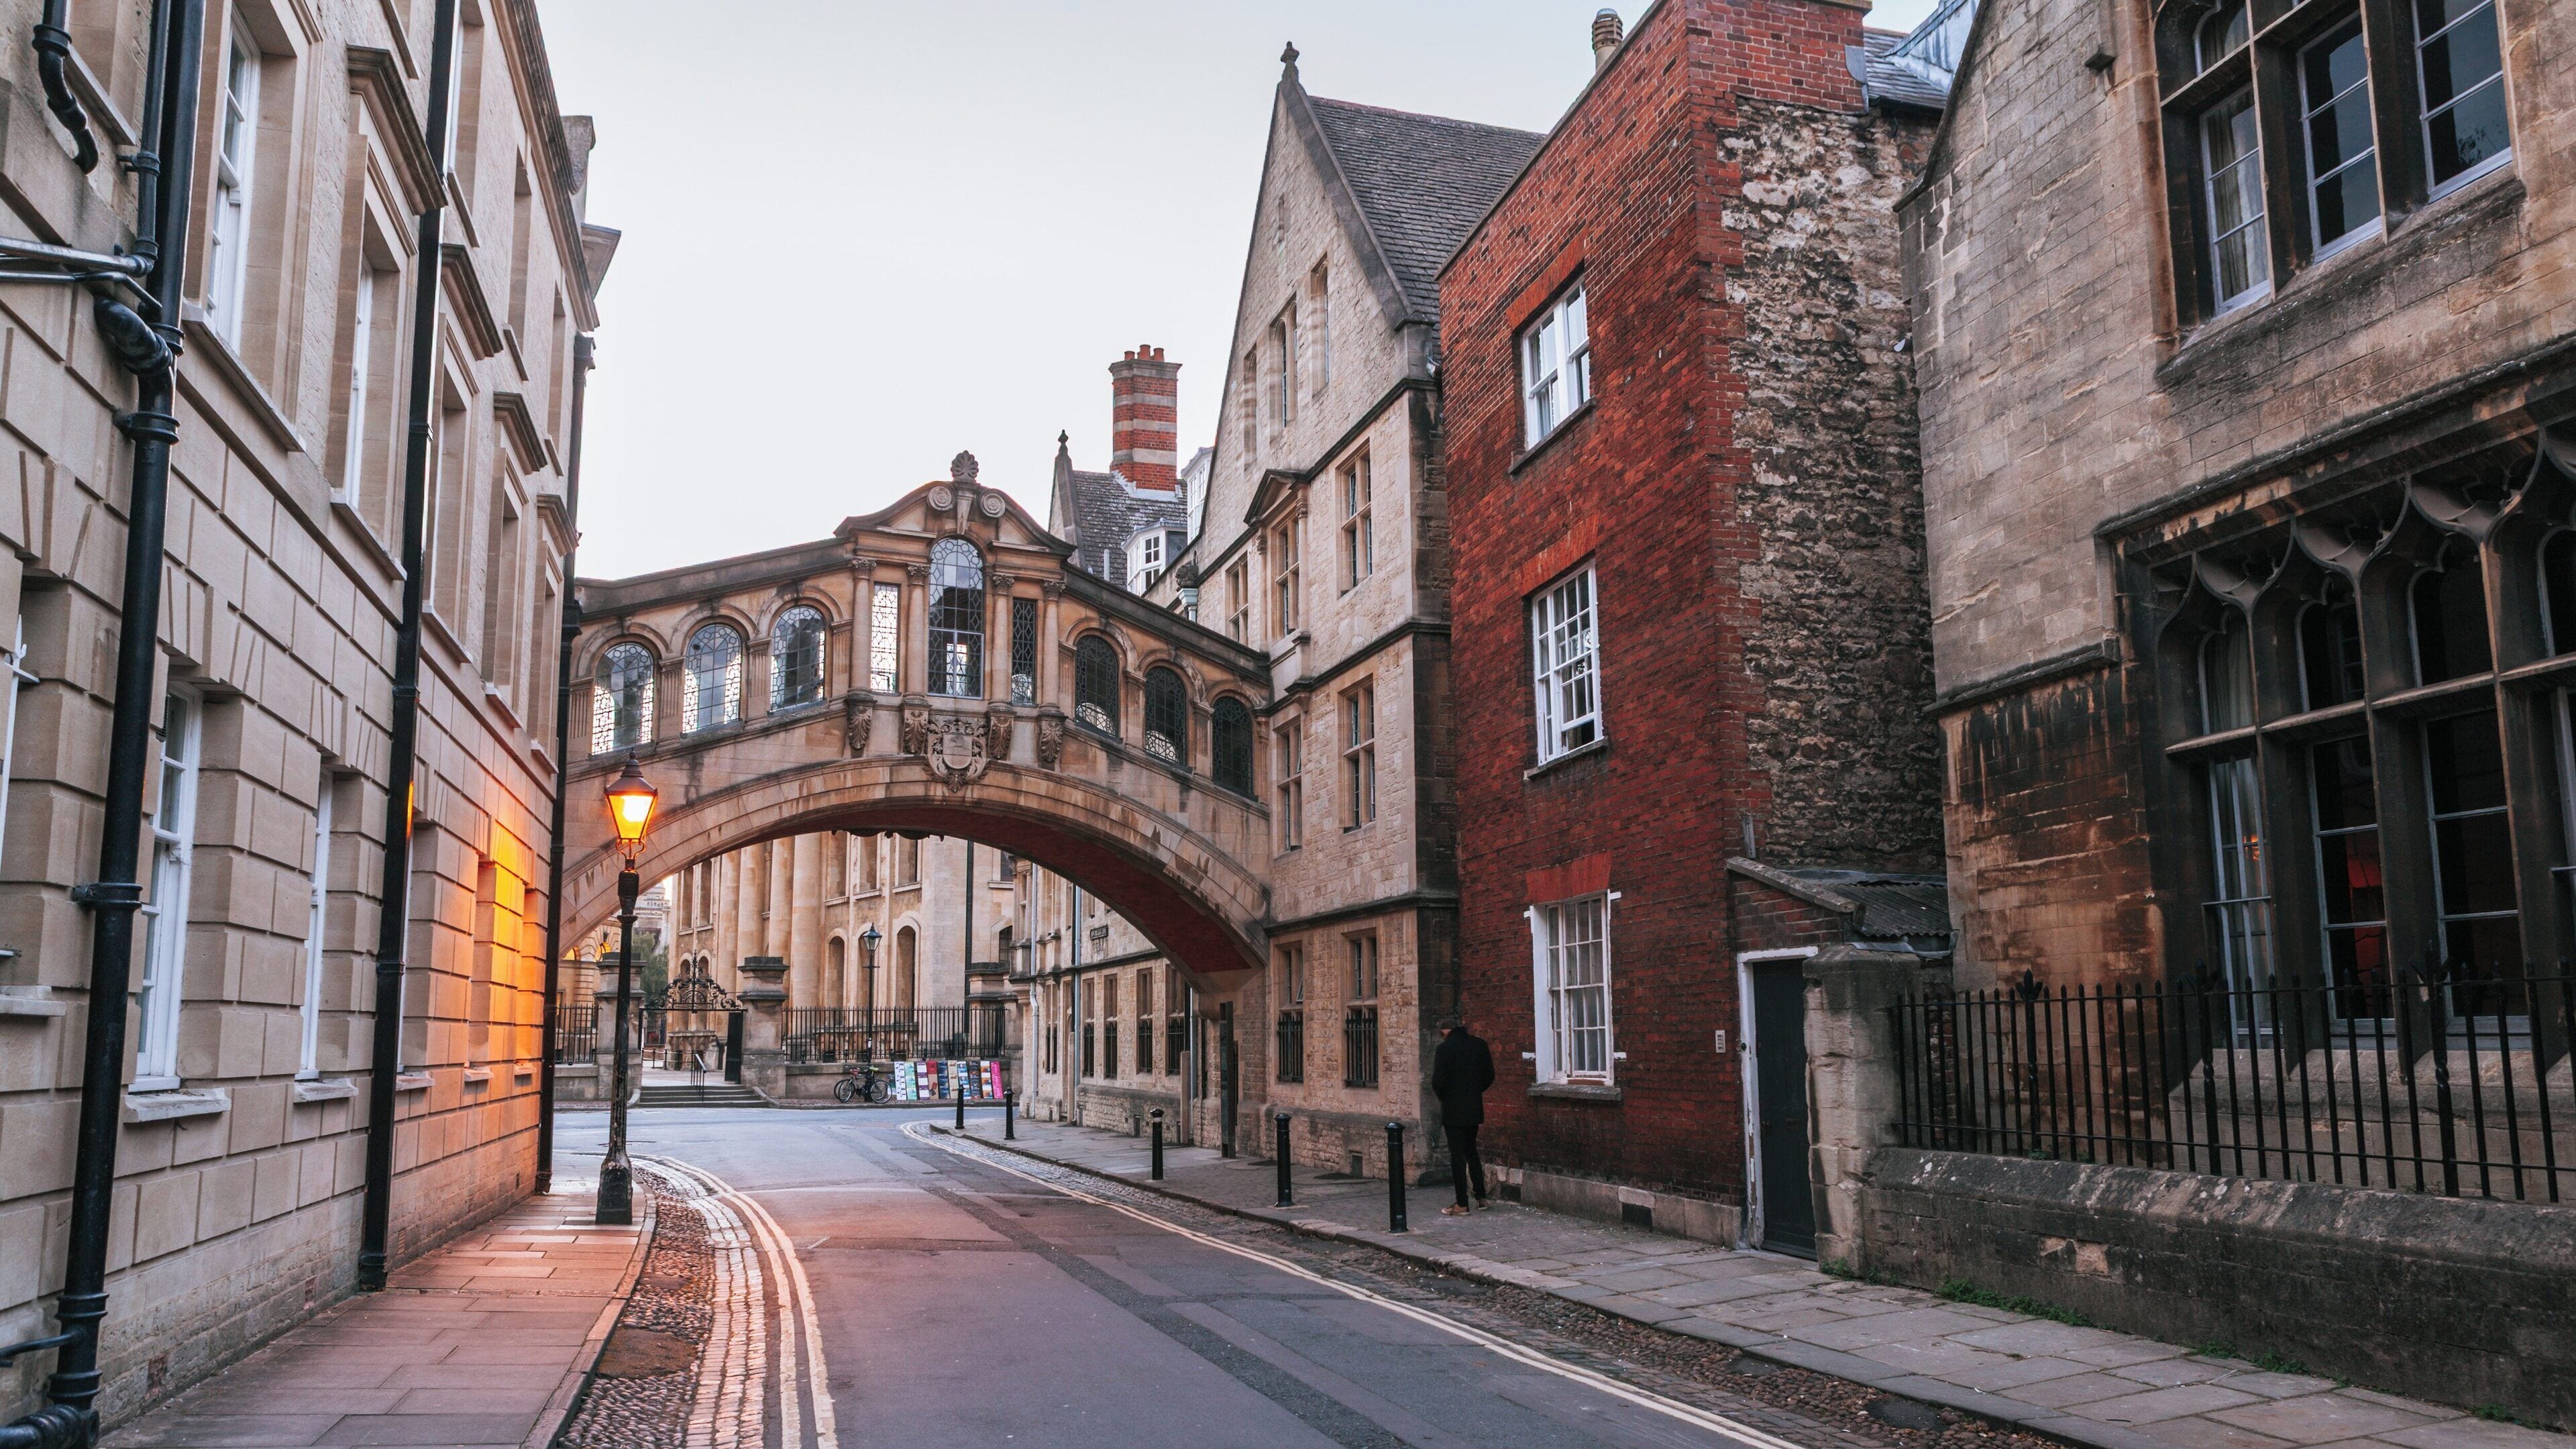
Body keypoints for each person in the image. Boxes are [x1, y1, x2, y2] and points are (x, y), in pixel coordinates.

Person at [1430, 1014, 1495, 1215]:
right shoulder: (1479, 1045)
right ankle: (1481, 1198)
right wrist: (1474, 1092)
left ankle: (1461, 1204)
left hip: (1453, 1110)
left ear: (1444, 1032)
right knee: (1471, 1152)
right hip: (1473, 1107)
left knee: (1457, 1156)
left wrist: (1447, 1098)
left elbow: (1437, 1082)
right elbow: (1489, 1076)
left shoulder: (1444, 1049)